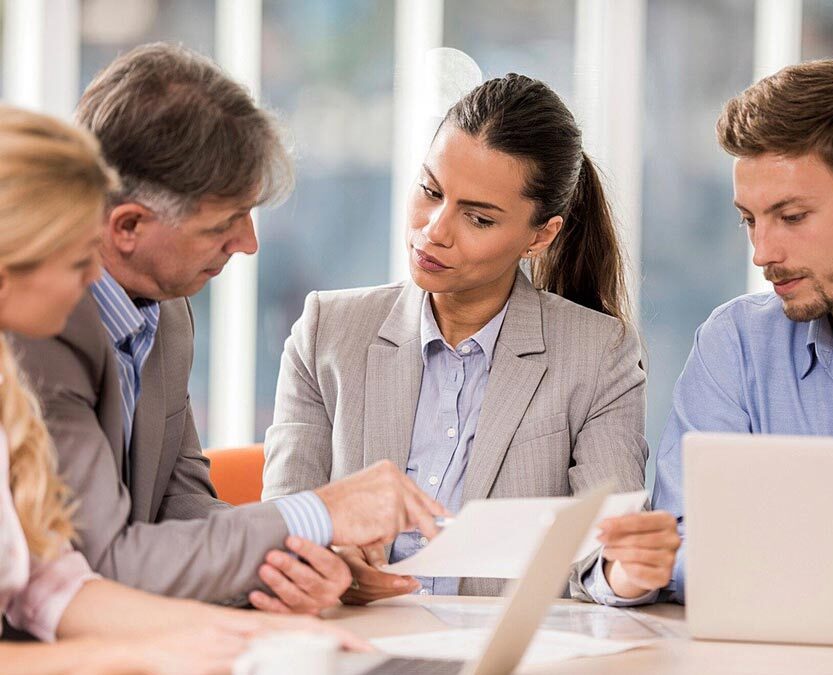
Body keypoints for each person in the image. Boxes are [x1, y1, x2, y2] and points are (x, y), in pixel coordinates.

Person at [12, 42, 445, 618]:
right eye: (223, 224)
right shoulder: (33, 332)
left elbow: (178, 499)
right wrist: (318, 513)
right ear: (128, 227)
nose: (248, 244)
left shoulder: (167, 310)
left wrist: (296, 560)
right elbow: (102, 561)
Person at [262, 73, 679, 604]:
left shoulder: (599, 354)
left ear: (540, 235)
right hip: (358, 636)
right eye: (430, 191)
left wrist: (630, 572)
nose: (435, 230)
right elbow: (283, 530)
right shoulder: (327, 332)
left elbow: (603, 556)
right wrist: (330, 565)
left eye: (478, 218)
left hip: (507, 644)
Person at [0, 104, 368, 674]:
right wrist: (131, 655)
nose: (95, 279)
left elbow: (53, 589)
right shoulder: (42, 355)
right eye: (78, 261)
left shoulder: (9, 385)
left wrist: (254, 631)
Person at [652, 59, 833, 604]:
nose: (763, 253)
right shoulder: (736, 345)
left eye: (792, 217)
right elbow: (680, 542)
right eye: (750, 220)